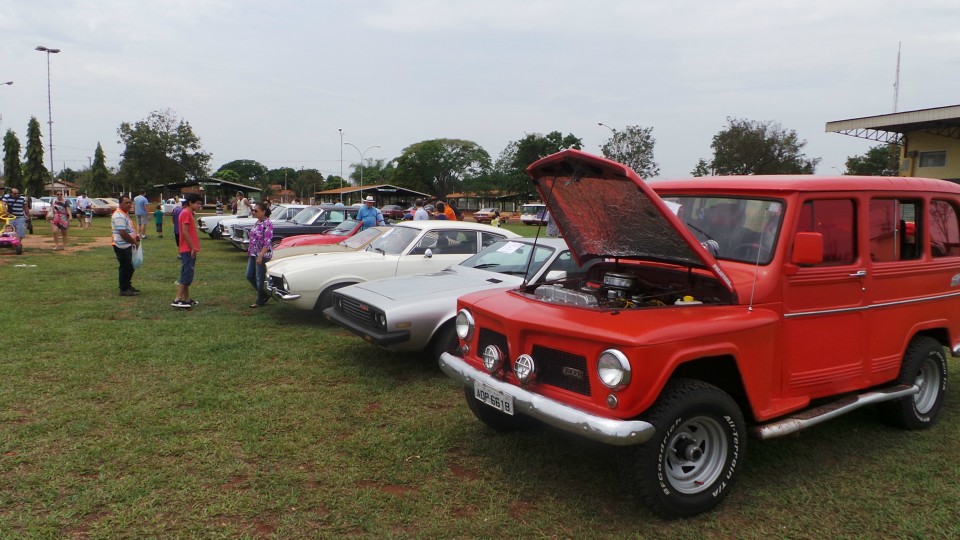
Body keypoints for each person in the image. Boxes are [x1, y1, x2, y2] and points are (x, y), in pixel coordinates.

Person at [172, 193, 202, 309]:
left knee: (187, 272)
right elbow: (184, 232)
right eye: (198, 203)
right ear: (190, 203)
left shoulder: (188, 213)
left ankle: (187, 299)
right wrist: (193, 247)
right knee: (186, 273)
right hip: (188, 249)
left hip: (188, 248)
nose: (199, 206)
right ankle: (178, 299)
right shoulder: (185, 213)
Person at [111, 195, 141, 296]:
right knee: (125, 266)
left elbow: (127, 230)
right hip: (122, 246)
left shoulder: (124, 214)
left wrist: (134, 237)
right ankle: (124, 289)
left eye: (130, 202)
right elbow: (122, 233)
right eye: (126, 203)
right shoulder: (119, 215)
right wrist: (134, 242)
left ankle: (128, 285)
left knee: (130, 266)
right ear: (120, 204)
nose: (129, 204)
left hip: (127, 244)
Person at [246, 202, 274, 308]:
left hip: (262, 254)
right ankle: (264, 294)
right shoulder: (258, 222)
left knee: (259, 278)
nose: (254, 212)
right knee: (249, 275)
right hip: (253, 254)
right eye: (253, 210)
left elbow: (267, 241)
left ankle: (260, 300)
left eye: (256, 211)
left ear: (263, 211)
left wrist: (261, 255)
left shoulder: (268, 223)